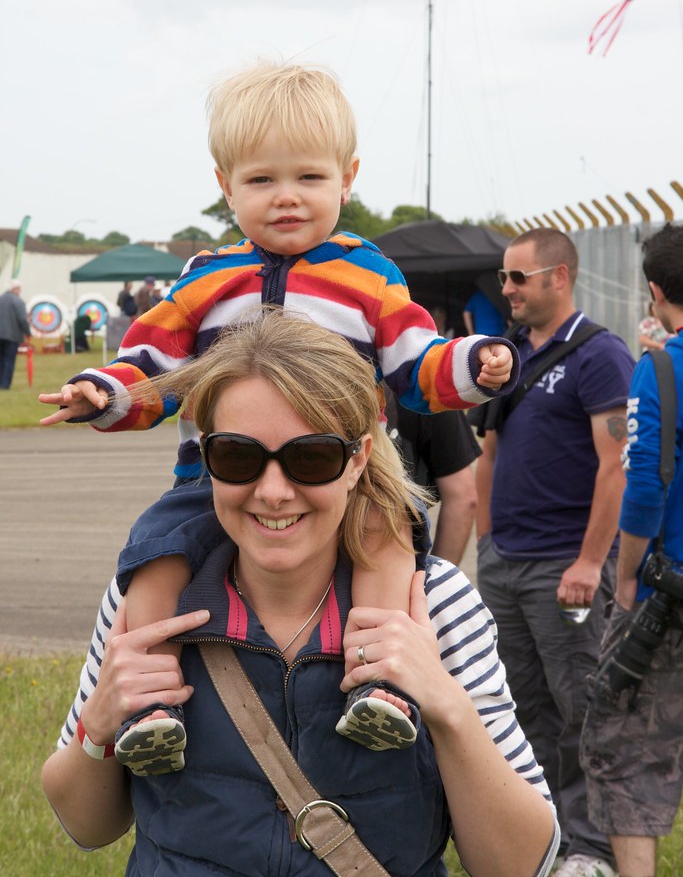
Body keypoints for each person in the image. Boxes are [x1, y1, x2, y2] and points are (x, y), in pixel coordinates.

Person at [38, 61, 519, 775]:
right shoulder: (205, 277)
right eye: (261, 179)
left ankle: (382, 683)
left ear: (347, 178)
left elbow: (416, 361)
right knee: (153, 551)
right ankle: (149, 700)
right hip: (214, 474)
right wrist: (103, 392)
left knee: (389, 534)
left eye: (309, 177)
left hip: (346, 475)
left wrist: (474, 362)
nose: (286, 196)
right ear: (225, 185)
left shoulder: (369, 276)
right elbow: (154, 362)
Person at [41, 310, 559, 876]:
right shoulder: (151, 599)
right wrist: (99, 726)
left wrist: (446, 705)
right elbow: (87, 827)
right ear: (205, 457)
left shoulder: (433, 603)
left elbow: (520, 864)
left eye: (311, 458)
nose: (273, 491)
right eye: (237, 457)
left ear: (358, 460)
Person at [474, 227, 634, 877]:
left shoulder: (600, 354)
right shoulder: (507, 354)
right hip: (504, 563)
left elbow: (616, 466)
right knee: (518, 707)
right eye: (504, 277)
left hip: (564, 567)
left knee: (580, 708)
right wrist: (485, 540)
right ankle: (541, 839)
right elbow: (488, 454)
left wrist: (590, 562)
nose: (506, 289)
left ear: (559, 277)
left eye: (518, 277)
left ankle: (591, 849)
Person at [581, 223, 683, 877]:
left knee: (624, 753)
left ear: (654, 290)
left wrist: (624, 578)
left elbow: (643, 482)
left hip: (666, 597)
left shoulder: (662, 367)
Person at [384, 384, 481, 566]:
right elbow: (463, 497)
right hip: (397, 567)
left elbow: (463, 499)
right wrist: (435, 577)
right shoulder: (423, 377)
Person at [0, 279, 31, 389]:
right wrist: (28, 332)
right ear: (15, 289)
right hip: (12, 336)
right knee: (9, 359)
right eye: (19, 289)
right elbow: (22, 319)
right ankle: (5, 384)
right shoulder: (18, 301)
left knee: (1, 359)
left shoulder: (1, 299)